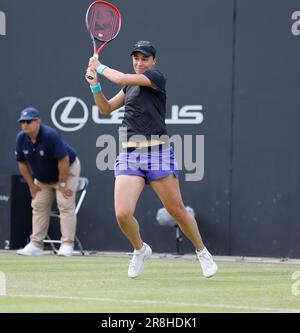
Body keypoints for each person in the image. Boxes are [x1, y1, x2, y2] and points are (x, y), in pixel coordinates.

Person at [85, 40, 218, 278]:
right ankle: (140, 249)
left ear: (153, 61)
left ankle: (202, 252)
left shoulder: (156, 78)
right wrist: (95, 84)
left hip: (158, 153)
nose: (139, 63)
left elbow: (122, 78)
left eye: (144, 59)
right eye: (136, 58)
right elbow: (105, 109)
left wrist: (99, 66)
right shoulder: (129, 89)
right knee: (122, 213)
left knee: (176, 209)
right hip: (129, 155)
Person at [15, 107, 81, 257]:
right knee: (38, 205)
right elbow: (22, 163)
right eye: (22, 122)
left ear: (37, 122)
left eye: (28, 121)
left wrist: (62, 185)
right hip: (43, 178)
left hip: (67, 171)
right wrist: (31, 185)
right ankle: (36, 244)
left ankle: (67, 245)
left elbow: (63, 160)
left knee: (65, 205)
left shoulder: (50, 136)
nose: (25, 124)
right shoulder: (21, 138)